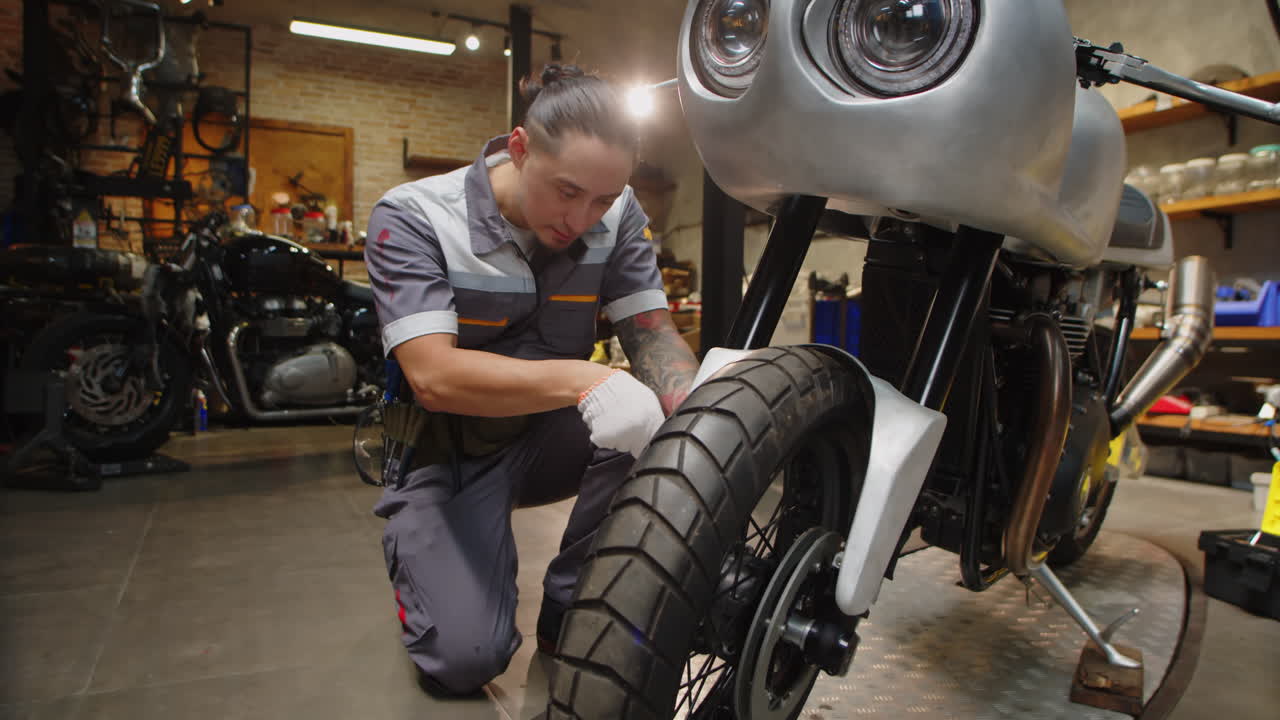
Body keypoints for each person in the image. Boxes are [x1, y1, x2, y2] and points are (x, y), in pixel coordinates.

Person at [363, 64, 700, 696]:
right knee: (466, 658)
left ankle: (572, 603)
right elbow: (433, 376)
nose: (582, 217)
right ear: (520, 149)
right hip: (448, 453)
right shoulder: (413, 217)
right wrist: (585, 379)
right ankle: (426, 552)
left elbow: (652, 334)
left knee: (665, 422)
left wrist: (709, 420)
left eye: (602, 199)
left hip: (551, 439)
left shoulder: (616, 210)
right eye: (567, 190)